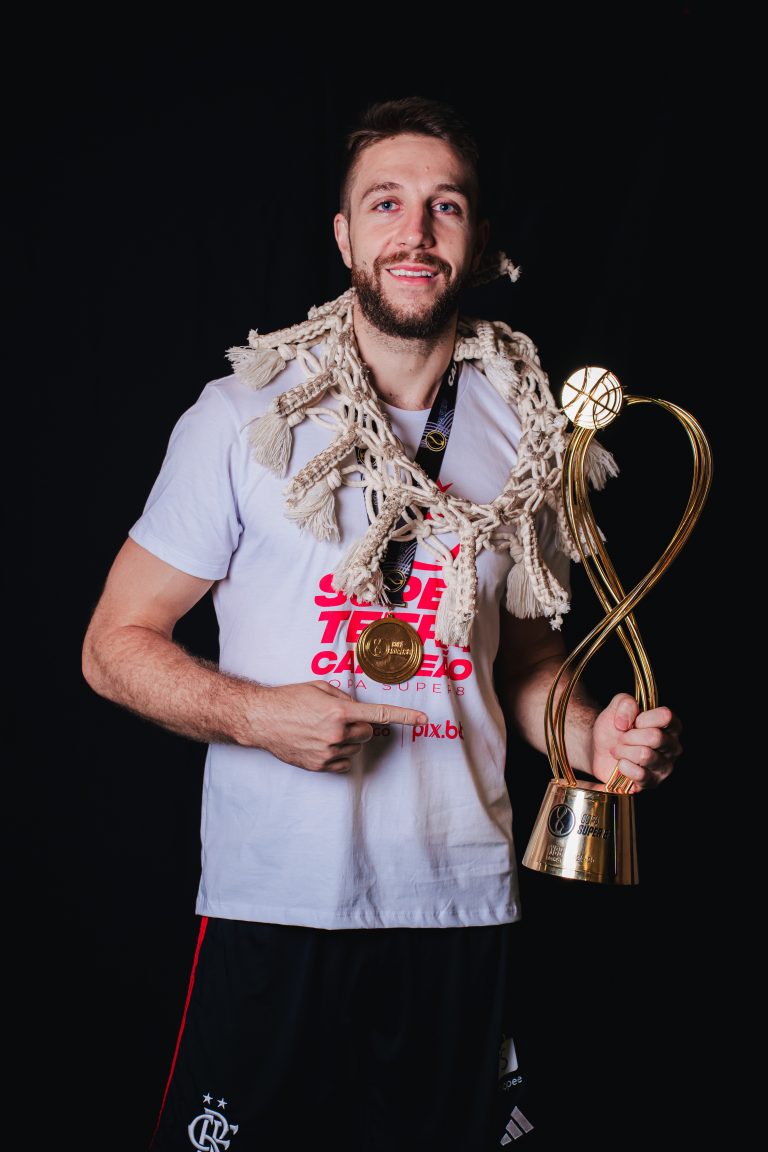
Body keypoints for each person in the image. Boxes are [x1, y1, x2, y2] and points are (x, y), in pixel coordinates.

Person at [82, 96, 681, 1150]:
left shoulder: (529, 429)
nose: (416, 231)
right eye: (386, 203)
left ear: (478, 241)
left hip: (461, 903)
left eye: (445, 206)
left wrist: (589, 736)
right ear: (345, 235)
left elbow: (527, 657)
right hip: (279, 898)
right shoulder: (247, 414)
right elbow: (112, 645)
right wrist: (258, 716)